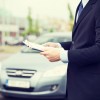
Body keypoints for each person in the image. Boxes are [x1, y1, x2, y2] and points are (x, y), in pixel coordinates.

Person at [41, 0, 100, 100]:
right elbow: (83, 41)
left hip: (91, 88)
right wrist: (59, 45)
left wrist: (62, 55)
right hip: (77, 85)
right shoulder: (81, 5)